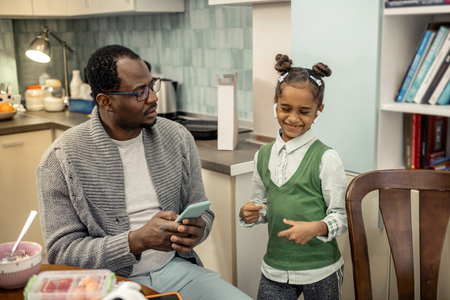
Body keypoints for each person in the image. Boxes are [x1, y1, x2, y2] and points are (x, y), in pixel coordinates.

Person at [36, 44, 252, 300]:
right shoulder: (60, 159)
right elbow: (61, 253)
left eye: (152, 85)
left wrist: (198, 229)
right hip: (108, 284)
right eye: (140, 92)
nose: (153, 98)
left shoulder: (178, 138)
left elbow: (202, 209)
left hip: (177, 271)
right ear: (106, 102)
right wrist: (135, 241)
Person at [239, 54, 347, 300]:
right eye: (285, 108)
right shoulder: (263, 155)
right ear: (275, 102)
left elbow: (341, 217)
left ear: (318, 111)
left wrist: (317, 227)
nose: (293, 118)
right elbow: (263, 206)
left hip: (321, 270)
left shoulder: (326, 158)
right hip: (275, 268)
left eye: (304, 111)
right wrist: (251, 213)